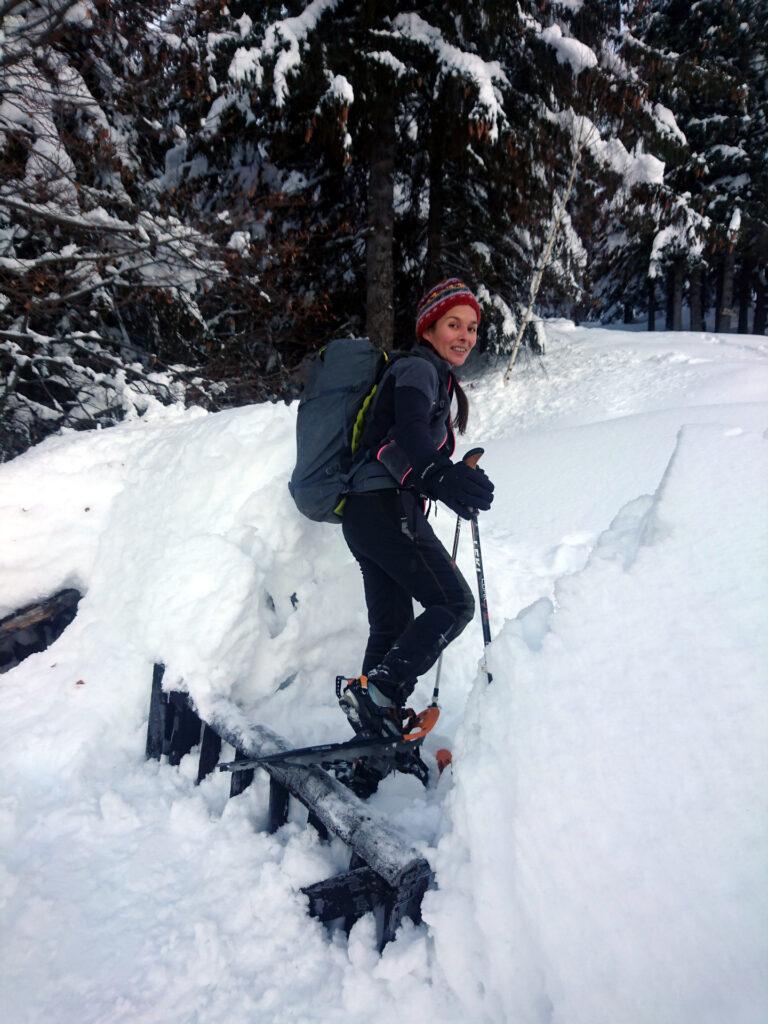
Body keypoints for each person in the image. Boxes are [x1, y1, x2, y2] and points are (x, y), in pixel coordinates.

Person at [338, 278, 494, 741]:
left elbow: (408, 440)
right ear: (428, 327)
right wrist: (443, 478)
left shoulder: (429, 376)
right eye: (453, 324)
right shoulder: (419, 371)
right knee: (454, 602)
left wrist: (451, 478)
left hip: (364, 516)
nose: (465, 335)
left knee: (391, 628)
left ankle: (369, 749)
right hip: (385, 509)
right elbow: (408, 432)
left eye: (471, 327)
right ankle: (380, 694)